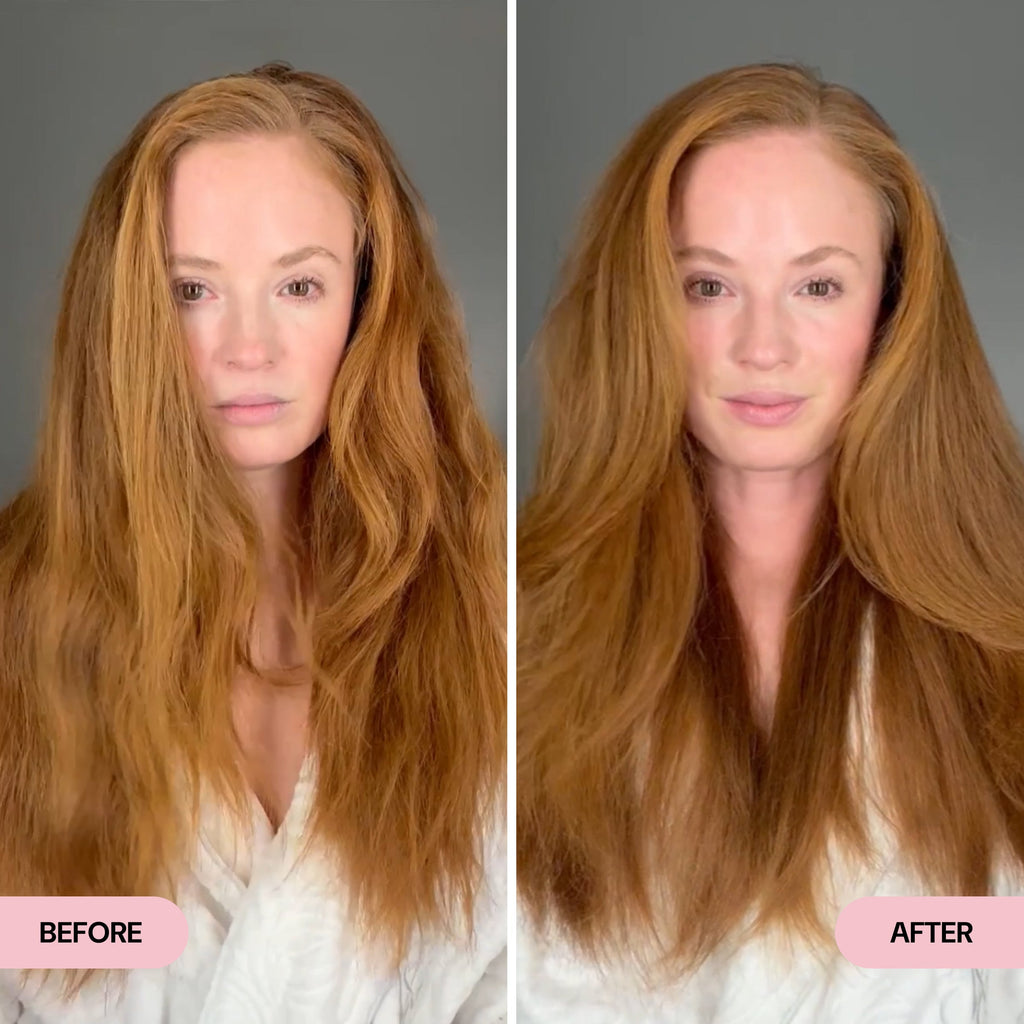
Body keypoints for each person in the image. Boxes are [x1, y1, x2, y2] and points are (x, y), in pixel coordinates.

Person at [517, 61, 1024, 1022]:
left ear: (891, 307)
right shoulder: (515, 635)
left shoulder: (1008, 635)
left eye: (818, 286)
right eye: (709, 284)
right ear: (646, 309)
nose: (763, 347)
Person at [0, 62, 506, 1023]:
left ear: (368, 298)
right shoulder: (13, 623)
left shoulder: (500, 619)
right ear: (130, 317)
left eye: (299, 285)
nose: (248, 347)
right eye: (192, 291)